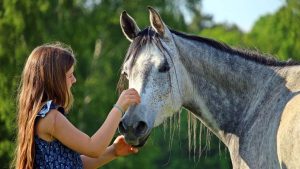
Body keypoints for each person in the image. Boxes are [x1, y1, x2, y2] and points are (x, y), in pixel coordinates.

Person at [13, 42, 141, 169]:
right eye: (69, 75)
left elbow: (75, 165)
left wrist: (113, 151)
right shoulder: (51, 118)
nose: (74, 80)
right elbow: (94, 148)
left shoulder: (42, 115)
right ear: (54, 80)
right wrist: (119, 107)